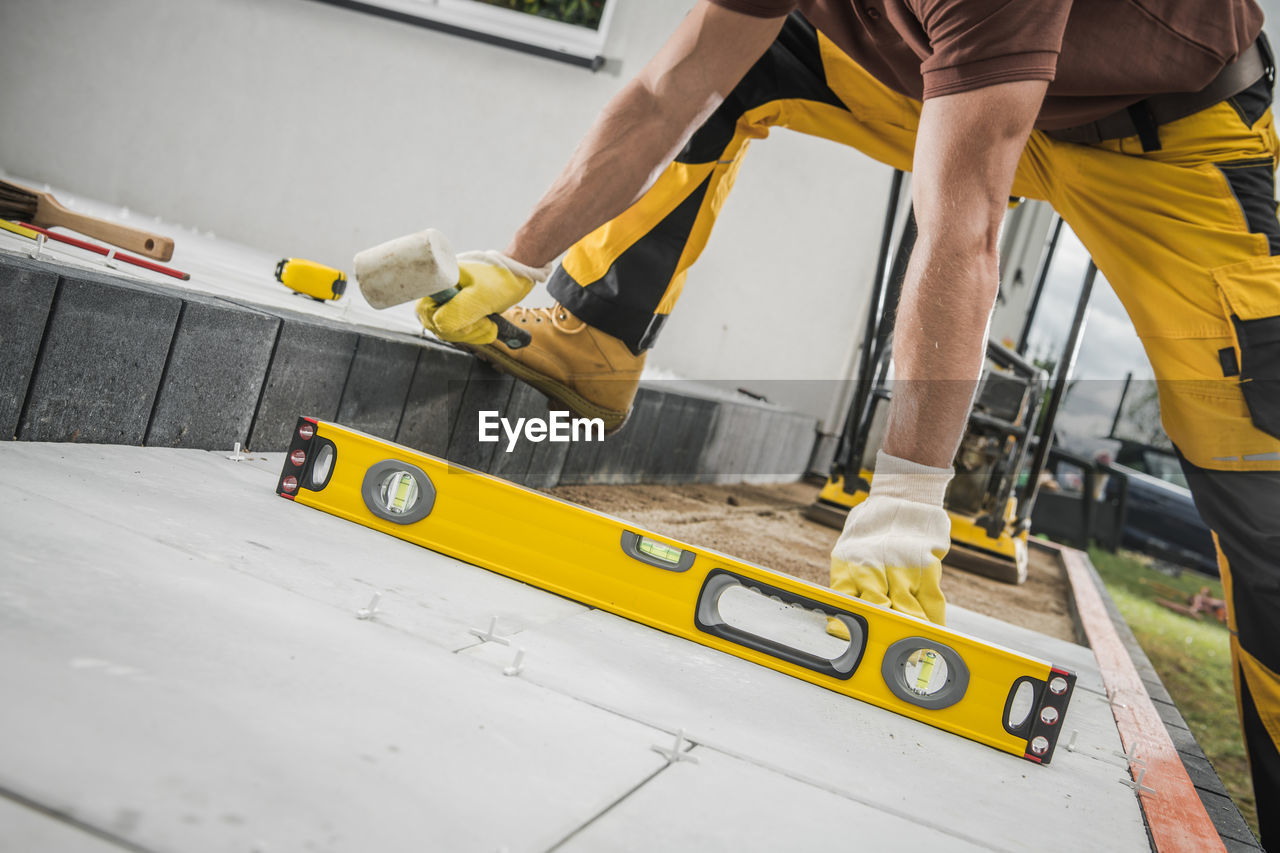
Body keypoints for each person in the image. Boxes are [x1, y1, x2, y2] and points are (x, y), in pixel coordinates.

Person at [402, 2, 1279, 845]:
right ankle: (586, 334)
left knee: (1262, 490)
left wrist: (906, 501)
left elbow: (962, 225)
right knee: (747, 62)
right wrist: (517, 258)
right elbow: (675, 87)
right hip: (941, 78)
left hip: (1163, 140)